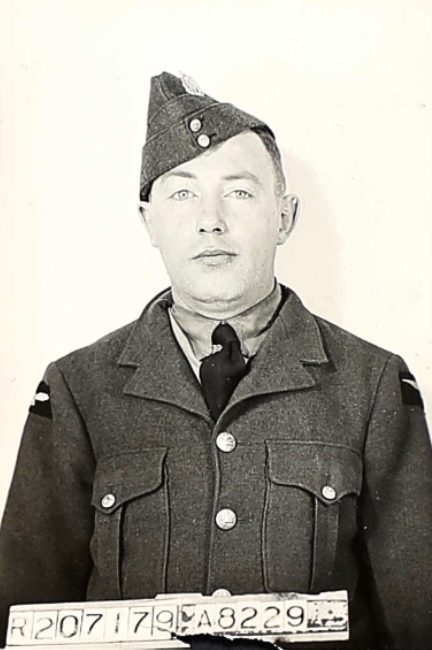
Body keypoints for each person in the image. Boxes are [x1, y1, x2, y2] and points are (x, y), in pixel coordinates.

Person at [0, 71, 431, 650]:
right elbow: (23, 621)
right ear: (148, 222)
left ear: (285, 217)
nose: (211, 220)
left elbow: (417, 621)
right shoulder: (78, 389)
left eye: (239, 192)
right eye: (183, 194)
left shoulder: (370, 383)